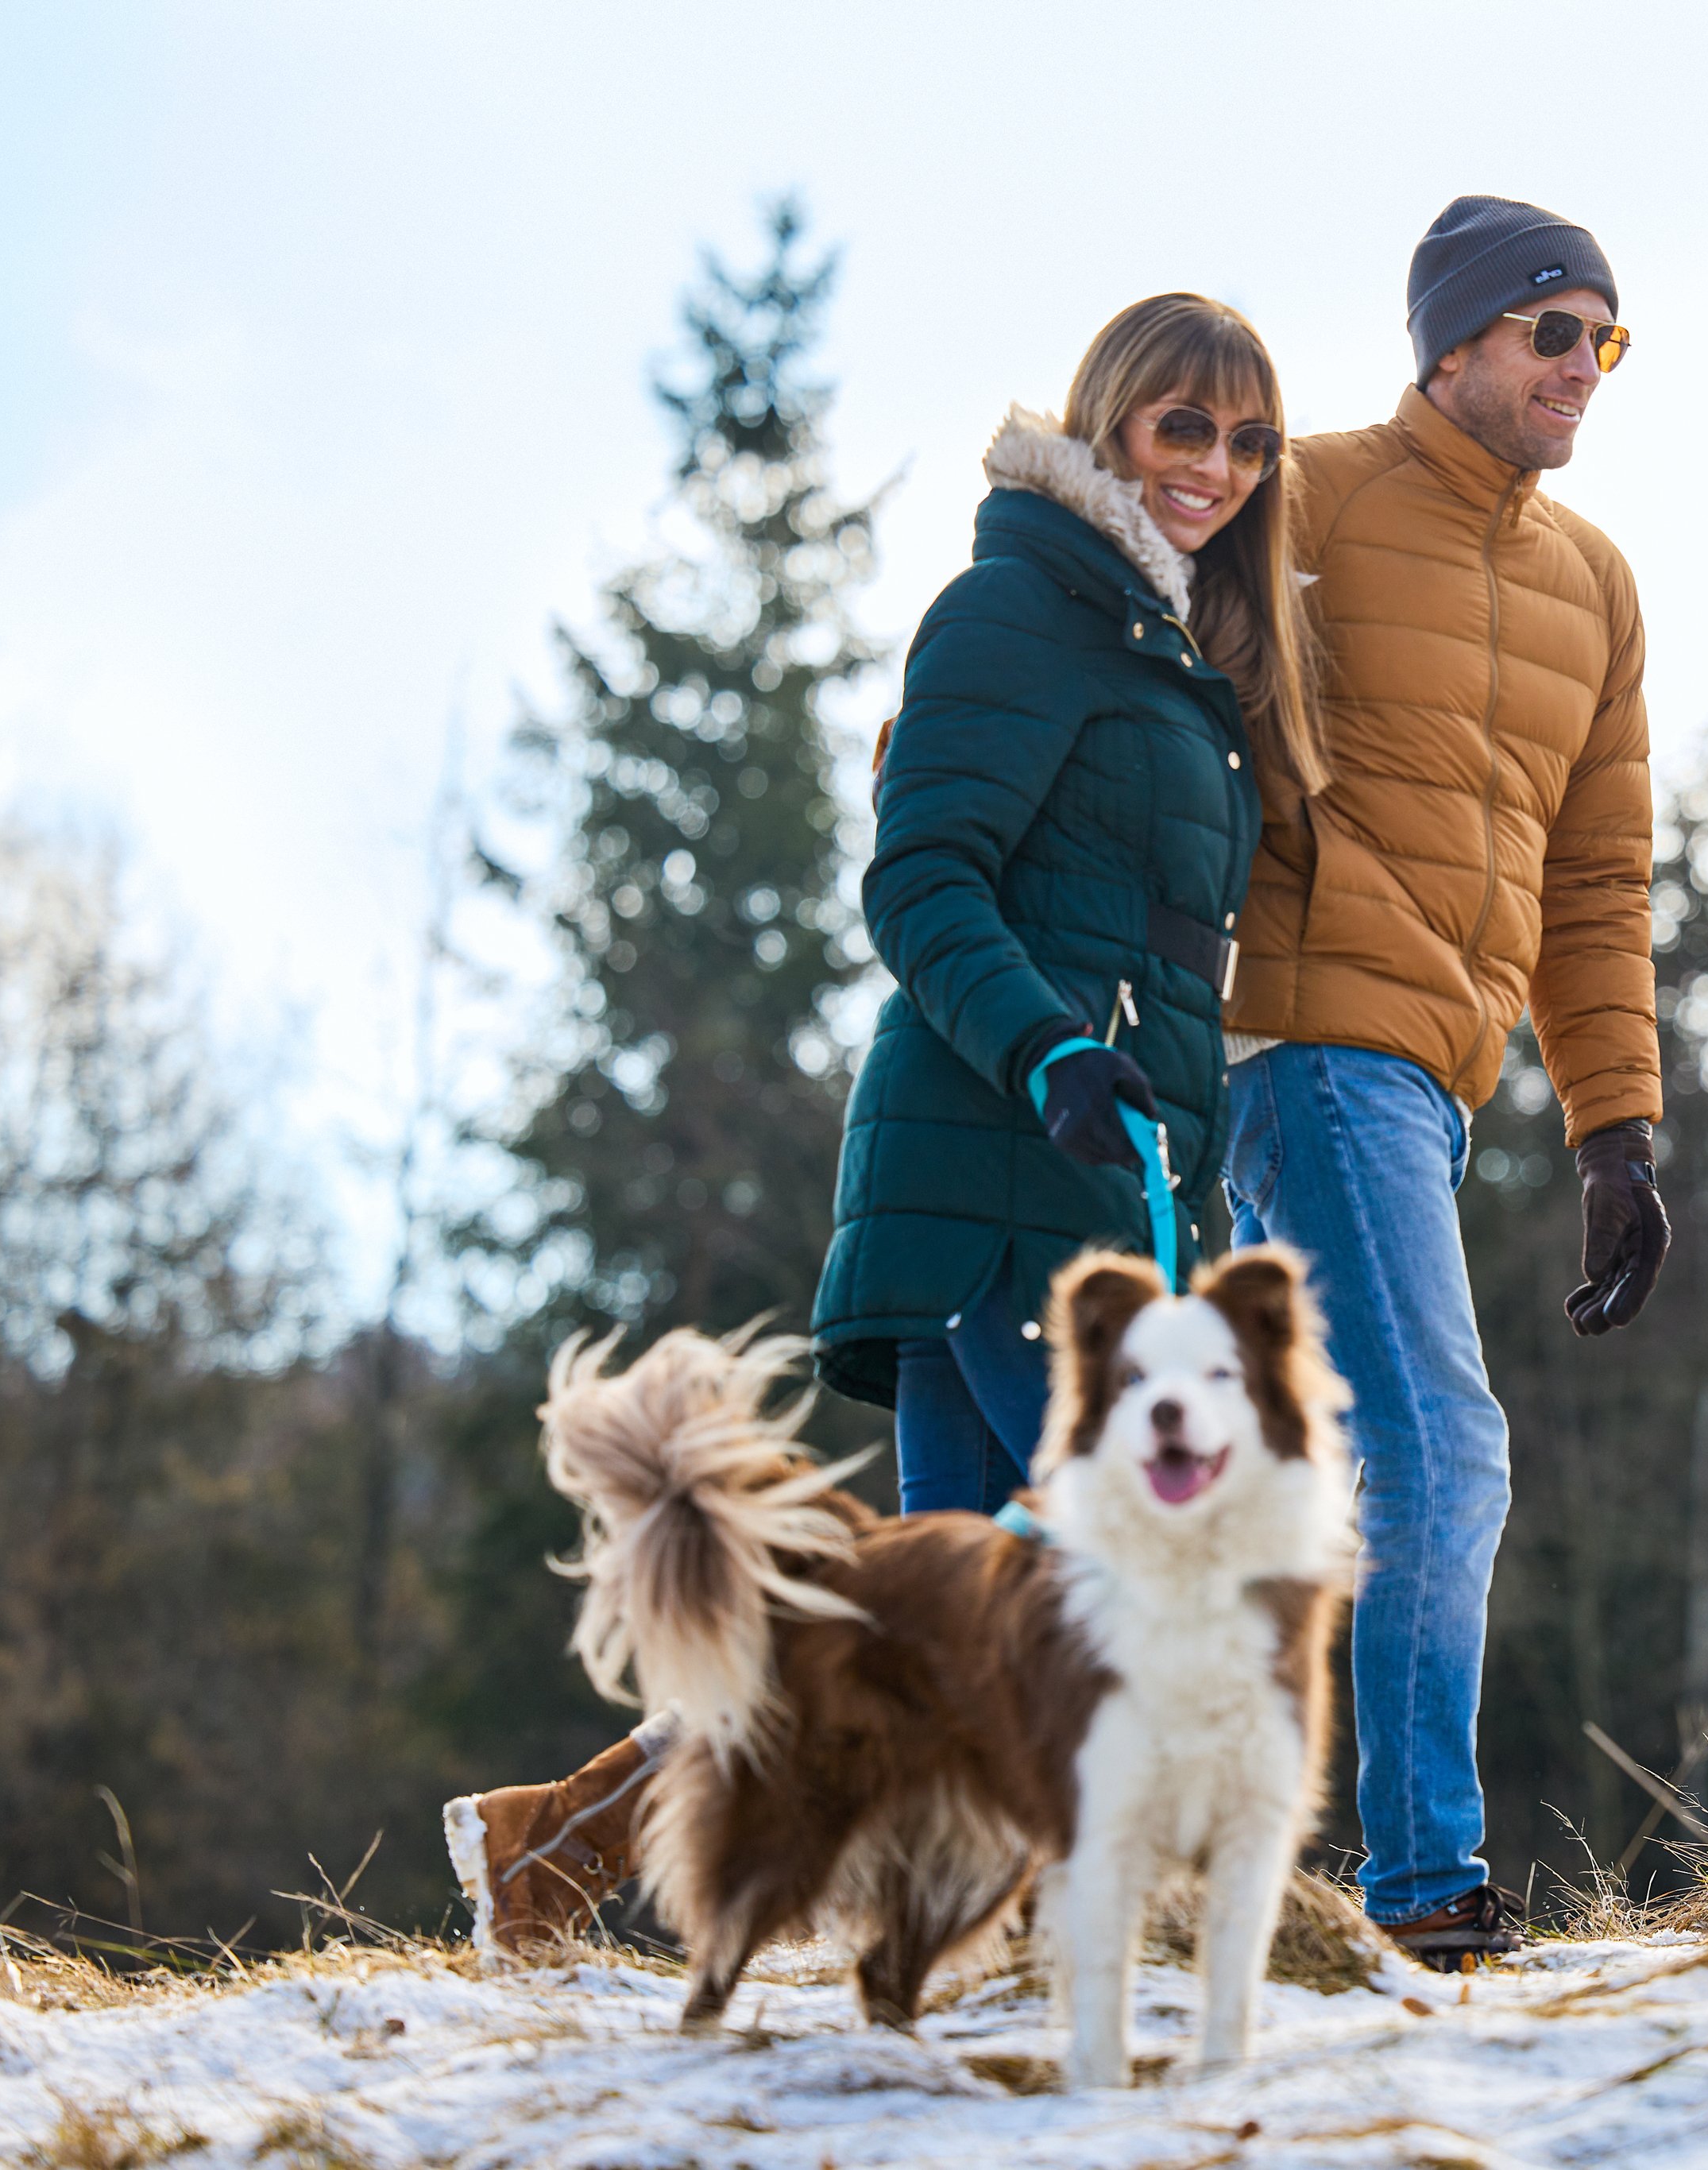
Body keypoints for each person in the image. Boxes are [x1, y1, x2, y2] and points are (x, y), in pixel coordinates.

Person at [442, 293, 1322, 1956]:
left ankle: (549, 1847)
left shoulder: (1164, 643)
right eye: (1182, 427)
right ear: (1109, 426)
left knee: (931, 1618)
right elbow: (920, 881)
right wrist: (1050, 1053)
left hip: (1087, 1180)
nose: (1216, 465)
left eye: (1248, 440)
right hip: (1001, 1179)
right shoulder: (1021, 608)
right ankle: (1097, 1920)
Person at [1219, 194, 1666, 1970]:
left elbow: (1597, 881)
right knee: (1441, 1449)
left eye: (1605, 338)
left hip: (1432, 1080)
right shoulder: (1309, 497)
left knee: (1162, 1494)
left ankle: (604, 1811)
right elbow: (1119, 652)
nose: (1584, 366)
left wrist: (1617, 1128)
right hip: (1304, 1044)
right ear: (1454, 343)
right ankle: (1424, 1893)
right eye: (1554, 330)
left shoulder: (1595, 586)